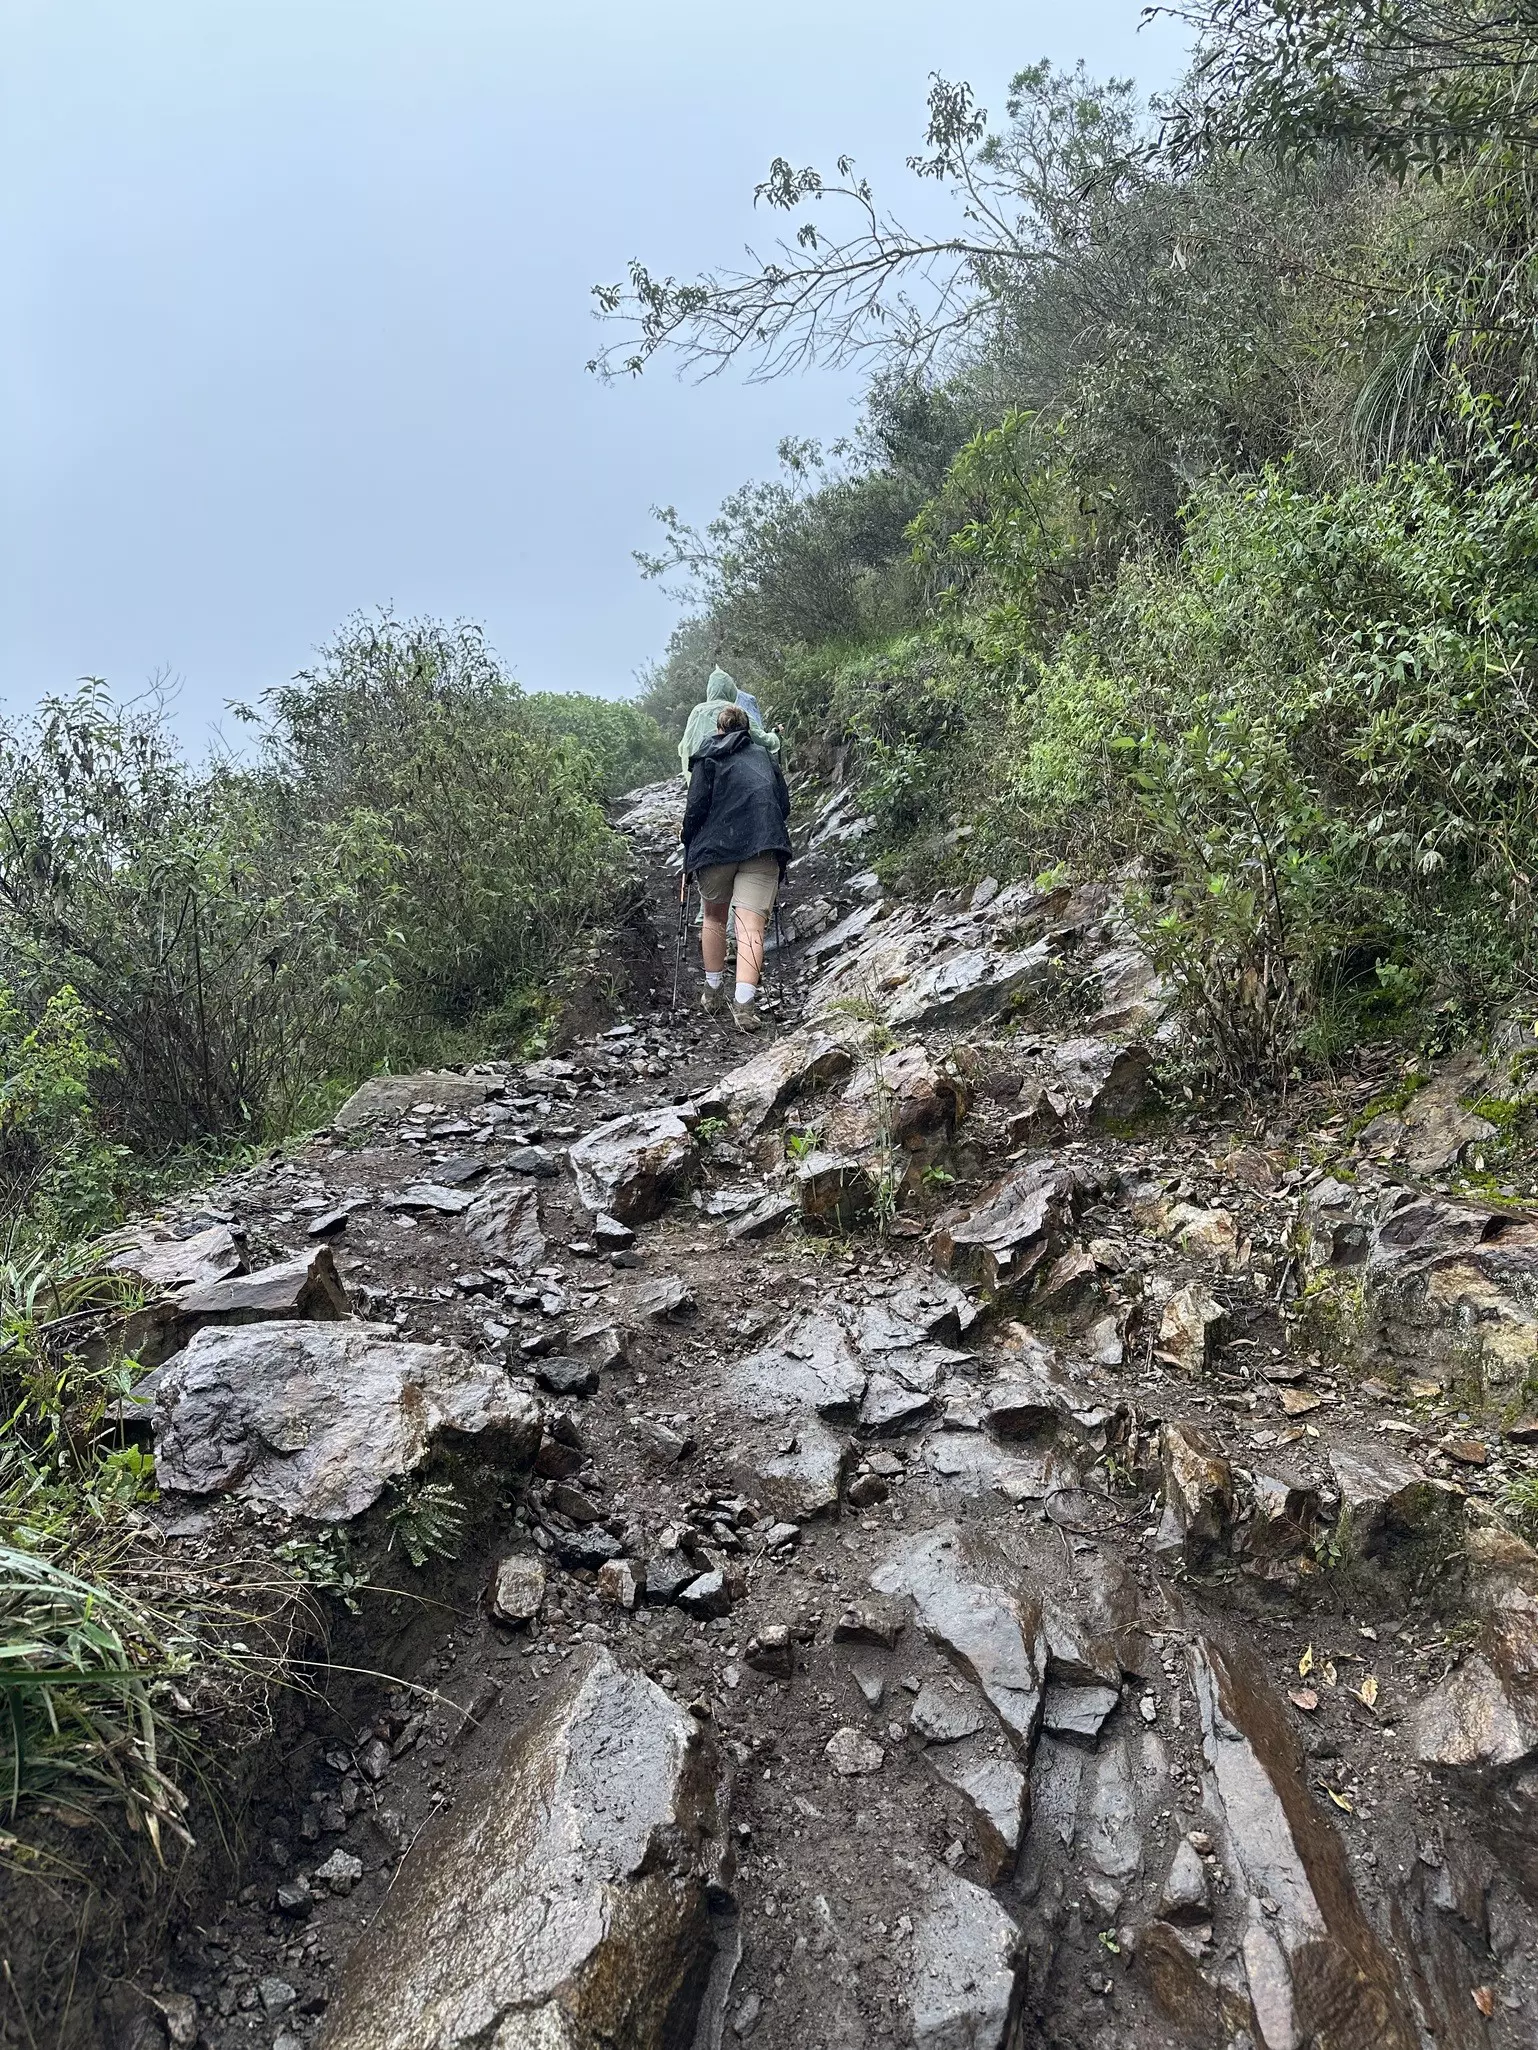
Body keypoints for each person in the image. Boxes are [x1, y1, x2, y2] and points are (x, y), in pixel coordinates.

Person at [682, 704, 791, 1034]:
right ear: (748, 729)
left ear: (718, 729)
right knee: (750, 929)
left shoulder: (706, 757)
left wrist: (688, 849)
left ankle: (712, 992)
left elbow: (695, 809)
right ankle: (744, 1007)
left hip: (716, 851)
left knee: (714, 918)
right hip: (763, 845)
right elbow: (782, 806)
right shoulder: (764, 757)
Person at [677, 667, 780, 775]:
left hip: (702, 776)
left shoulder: (697, 712)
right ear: (731, 689)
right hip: (735, 775)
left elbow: (684, 747)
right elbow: (761, 740)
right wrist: (775, 736)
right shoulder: (736, 711)